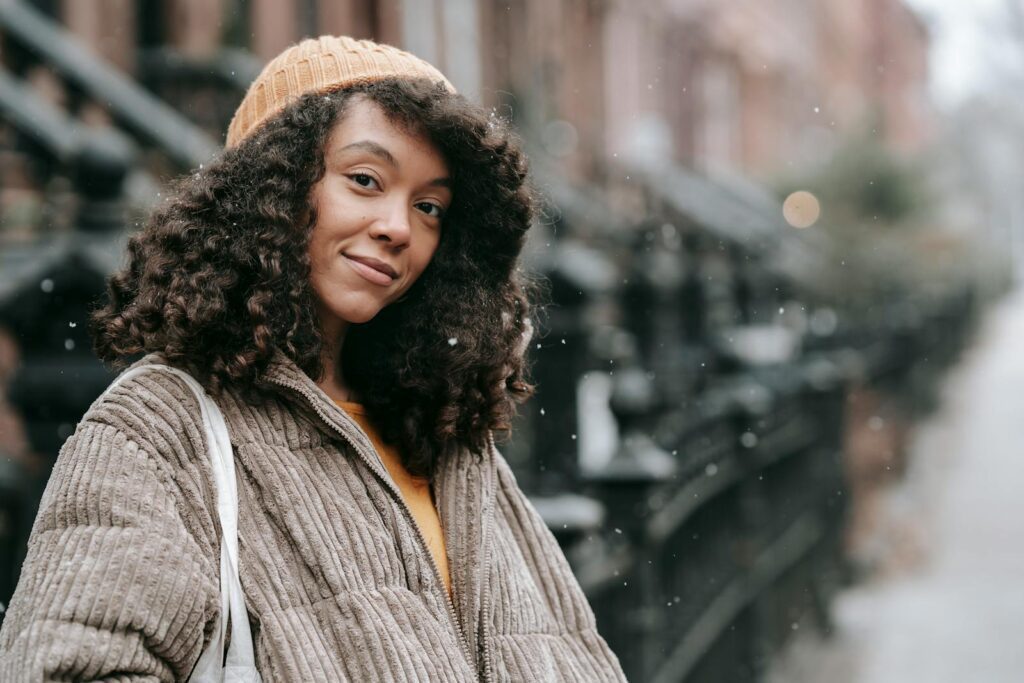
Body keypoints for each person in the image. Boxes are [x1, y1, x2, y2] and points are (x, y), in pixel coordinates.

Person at [0, 36, 626, 681]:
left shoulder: (445, 437)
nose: (398, 227)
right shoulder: (158, 431)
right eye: (365, 180)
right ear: (272, 187)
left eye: (429, 207)